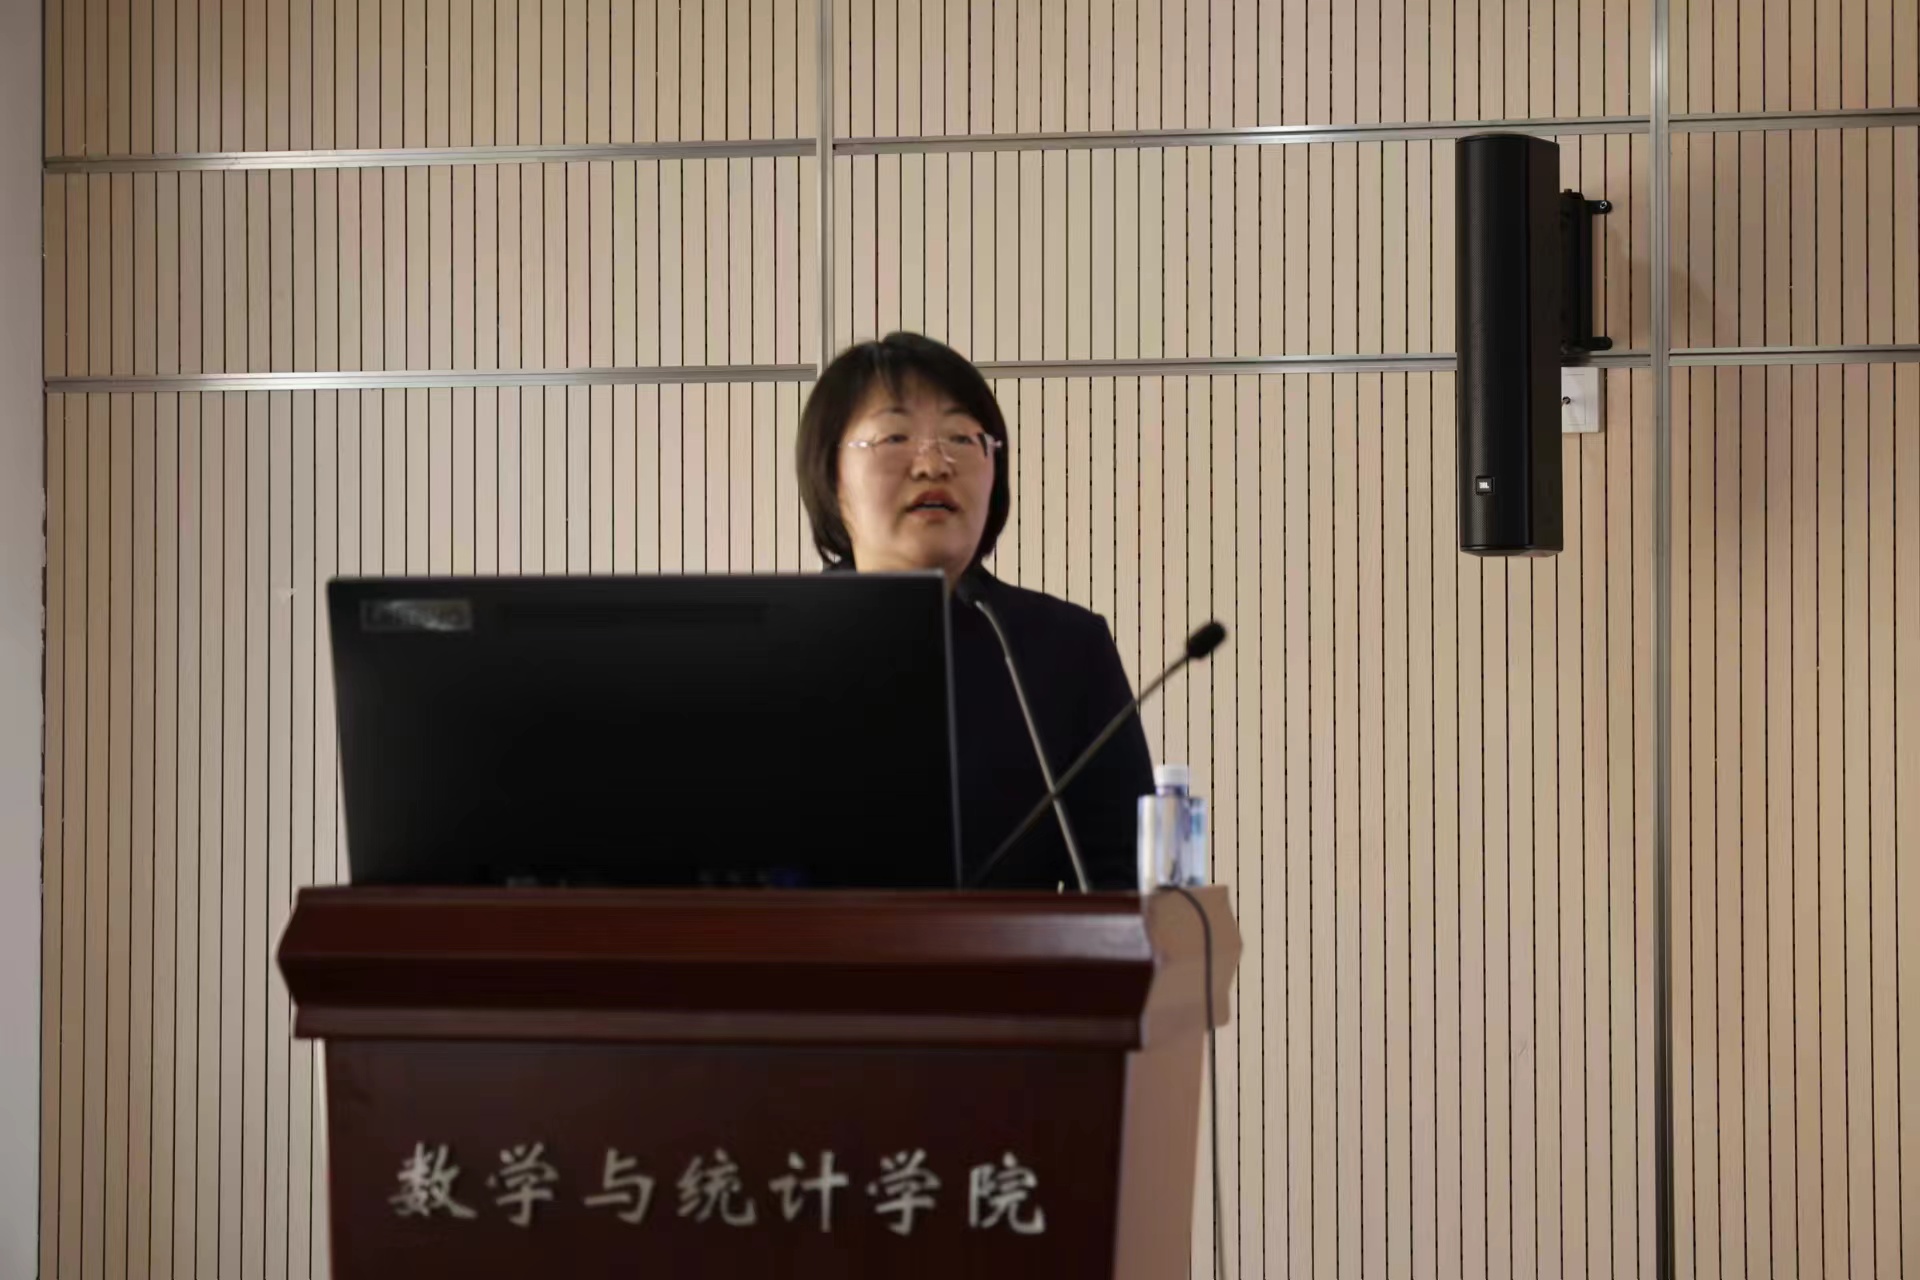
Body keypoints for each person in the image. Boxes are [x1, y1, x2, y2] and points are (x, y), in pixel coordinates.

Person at [796, 331, 1155, 891]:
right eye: (895, 437)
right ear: (831, 475)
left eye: (961, 438)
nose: (933, 464)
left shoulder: (1064, 649)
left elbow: (1126, 881)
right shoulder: (774, 650)